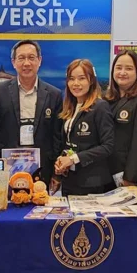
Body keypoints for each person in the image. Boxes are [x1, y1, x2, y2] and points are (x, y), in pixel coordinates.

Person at [0, 40, 63, 186]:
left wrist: (56, 174)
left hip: (42, 167)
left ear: (39, 60)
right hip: (9, 165)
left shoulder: (54, 94)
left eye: (31, 58)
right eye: (21, 58)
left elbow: (57, 136)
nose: (26, 63)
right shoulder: (0, 91)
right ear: (13, 62)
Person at [54, 59, 114, 196]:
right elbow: (68, 143)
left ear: (91, 81)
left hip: (92, 182)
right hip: (69, 180)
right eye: (71, 79)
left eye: (81, 78)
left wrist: (74, 159)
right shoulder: (69, 107)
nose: (76, 83)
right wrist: (62, 162)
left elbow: (108, 146)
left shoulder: (100, 107)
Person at [104, 50, 137, 186]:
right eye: (118, 67)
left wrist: (130, 177)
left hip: (127, 175)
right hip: (106, 171)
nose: (122, 72)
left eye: (129, 68)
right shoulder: (107, 98)